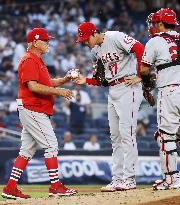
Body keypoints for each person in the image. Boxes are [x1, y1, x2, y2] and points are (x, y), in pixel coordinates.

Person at [1, 28, 77, 199]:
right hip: (32, 107)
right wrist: (59, 92)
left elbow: (48, 83)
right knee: (51, 146)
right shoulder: (29, 60)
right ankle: (55, 186)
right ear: (35, 42)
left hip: (34, 108)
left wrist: (65, 79)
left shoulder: (37, 60)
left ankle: (10, 188)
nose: (48, 43)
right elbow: (33, 87)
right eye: (45, 40)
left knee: (26, 151)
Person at [75, 22, 144, 191]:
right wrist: (86, 81)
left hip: (128, 87)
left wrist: (140, 75)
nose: (85, 42)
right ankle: (117, 178)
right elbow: (101, 80)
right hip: (113, 90)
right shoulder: (95, 51)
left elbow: (140, 48)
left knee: (127, 134)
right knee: (115, 136)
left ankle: (130, 178)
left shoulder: (115, 36)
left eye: (86, 39)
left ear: (94, 33)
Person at [139, 8, 180, 190]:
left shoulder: (155, 40)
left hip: (170, 92)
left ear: (160, 23)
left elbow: (143, 70)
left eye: (156, 23)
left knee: (166, 137)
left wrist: (148, 84)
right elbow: (179, 65)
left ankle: (171, 179)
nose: (154, 26)